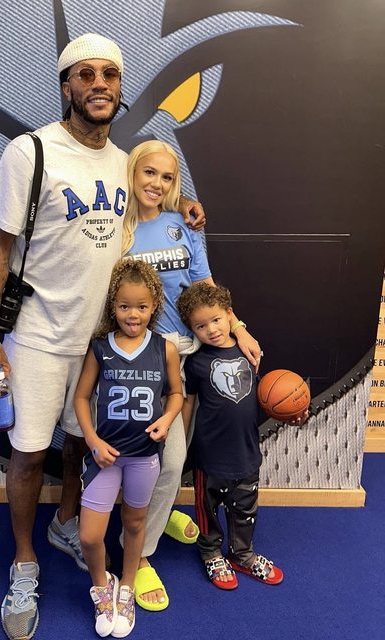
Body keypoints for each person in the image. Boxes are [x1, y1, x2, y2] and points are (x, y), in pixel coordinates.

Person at [0, 33, 204, 640]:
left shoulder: (120, 162)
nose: (99, 84)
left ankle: (66, 525)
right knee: (29, 452)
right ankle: (25, 564)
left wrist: (185, 207)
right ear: (67, 85)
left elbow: (150, 197)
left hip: (101, 340)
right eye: (85, 74)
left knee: (82, 443)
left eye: (109, 74)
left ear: (120, 87)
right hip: (38, 336)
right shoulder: (30, 152)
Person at [121, 140, 262, 609]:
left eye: (167, 177)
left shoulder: (184, 224)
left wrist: (238, 326)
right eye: (149, 172)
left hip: (194, 352)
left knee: (177, 457)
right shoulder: (117, 230)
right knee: (159, 457)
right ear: (132, 171)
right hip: (148, 359)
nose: (157, 183)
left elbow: (205, 285)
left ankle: (158, 520)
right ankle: (138, 555)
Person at [74, 259, 183, 637]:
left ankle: (128, 587)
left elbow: (176, 393)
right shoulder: (101, 347)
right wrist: (92, 440)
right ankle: (102, 586)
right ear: (113, 307)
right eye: (124, 306)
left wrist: (167, 419)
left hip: (144, 457)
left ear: (154, 306)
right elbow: (81, 397)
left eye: (141, 306)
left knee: (135, 523)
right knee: (90, 536)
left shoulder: (165, 348)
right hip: (106, 457)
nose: (132, 314)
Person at [177, 282, 283, 589]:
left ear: (229, 315)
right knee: (207, 508)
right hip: (209, 454)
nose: (211, 329)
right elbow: (188, 403)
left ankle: (242, 554)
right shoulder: (196, 362)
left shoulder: (249, 351)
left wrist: (293, 412)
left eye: (216, 320)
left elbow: (268, 396)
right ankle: (210, 552)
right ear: (192, 329)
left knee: (245, 508)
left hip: (245, 450)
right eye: (200, 326)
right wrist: (181, 443)